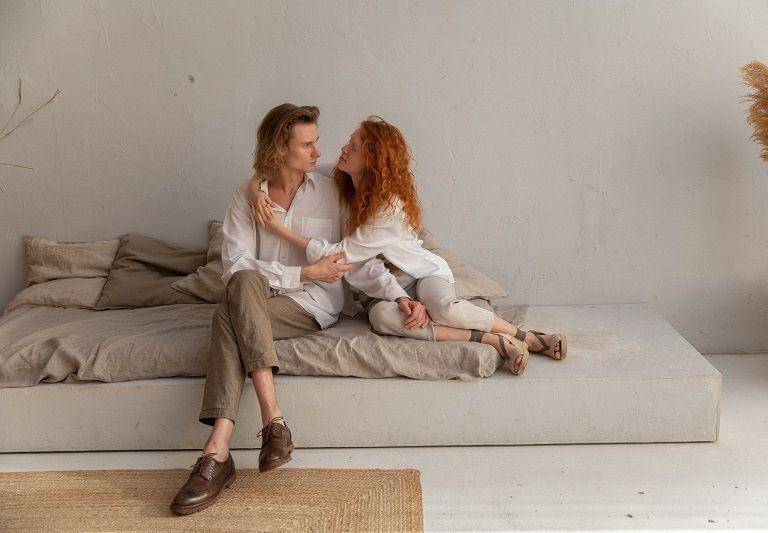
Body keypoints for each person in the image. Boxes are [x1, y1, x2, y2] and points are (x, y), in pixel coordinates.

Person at [246, 116, 567, 377]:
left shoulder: (388, 207)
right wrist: (255, 189)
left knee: (443, 309)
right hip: (381, 288)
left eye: (353, 147)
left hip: (420, 275)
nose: (343, 148)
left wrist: (279, 230)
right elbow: (278, 168)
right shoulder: (340, 179)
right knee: (382, 320)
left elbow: (341, 257)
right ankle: (487, 339)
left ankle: (527, 337)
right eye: (349, 142)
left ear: (371, 159)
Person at [170, 103, 368, 515]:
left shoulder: (332, 187)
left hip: (310, 302)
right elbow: (235, 267)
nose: (318, 151)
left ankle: (217, 453)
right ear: (280, 149)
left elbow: (345, 251)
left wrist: (309, 276)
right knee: (242, 283)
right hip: (262, 294)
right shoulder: (246, 198)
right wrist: (302, 271)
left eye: (316, 142)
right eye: (307, 145)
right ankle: (271, 421)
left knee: (226, 315)